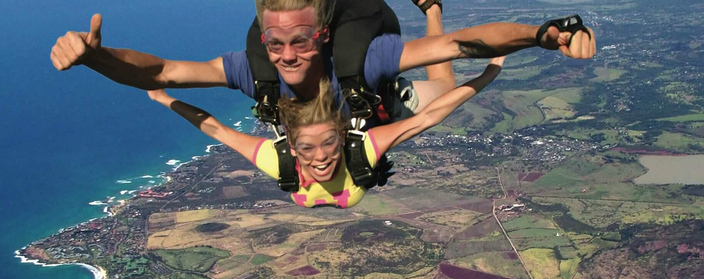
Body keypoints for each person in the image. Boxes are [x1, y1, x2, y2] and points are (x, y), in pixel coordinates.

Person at [50, 0, 594, 120]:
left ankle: (431, 7)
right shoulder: (254, 67)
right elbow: (164, 71)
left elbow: (465, 44)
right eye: (275, 43)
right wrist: (98, 60)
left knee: (442, 91)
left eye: (302, 42)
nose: (286, 56)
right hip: (339, 122)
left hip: (381, 103)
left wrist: (541, 34)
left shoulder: (365, 57)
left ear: (325, 36)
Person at [146, 57, 505, 209]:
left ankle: (432, 9)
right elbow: (215, 129)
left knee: (443, 85)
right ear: (297, 149)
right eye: (308, 152)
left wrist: (486, 77)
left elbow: (217, 130)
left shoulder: (284, 162)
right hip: (357, 123)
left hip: (363, 118)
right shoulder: (356, 155)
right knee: (441, 90)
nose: (319, 161)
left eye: (327, 149)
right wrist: (163, 99)